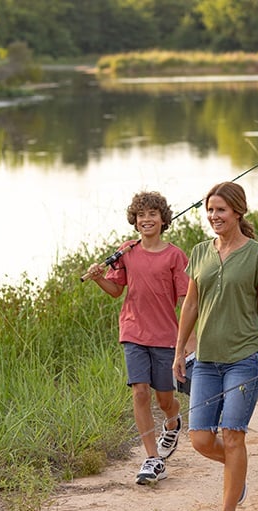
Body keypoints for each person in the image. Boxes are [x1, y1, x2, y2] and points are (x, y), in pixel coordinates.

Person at [172, 181, 258, 511]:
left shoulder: (257, 254)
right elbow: (190, 304)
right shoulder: (201, 251)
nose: (213, 216)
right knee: (201, 438)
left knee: (233, 435)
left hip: (244, 357)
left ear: (238, 211)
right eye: (209, 210)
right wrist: (179, 351)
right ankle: (238, 477)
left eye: (220, 210)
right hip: (205, 359)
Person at [83, 191, 192, 485]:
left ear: (163, 219)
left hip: (166, 336)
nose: (147, 219)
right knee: (139, 392)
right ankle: (152, 458)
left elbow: (185, 302)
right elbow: (116, 289)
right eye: (141, 215)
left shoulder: (175, 256)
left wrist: (188, 341)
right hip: (133, 332)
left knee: (164, 399)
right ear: (135, 221)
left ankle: (172, 422)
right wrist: (98, 278)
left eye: (152, 214)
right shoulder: (127, 251)